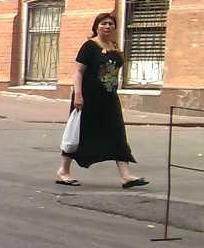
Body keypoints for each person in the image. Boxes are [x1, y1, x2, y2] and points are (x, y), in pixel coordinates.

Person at [57, 12, 147, 189]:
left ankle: (125, 176)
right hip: (88, 99)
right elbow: (78, 72)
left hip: (109, 99)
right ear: (96, 26)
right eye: (104, 23)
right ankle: (63, 171)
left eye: (111, 24)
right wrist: (78, 95)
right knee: (79, 134)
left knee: (117, 133)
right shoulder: (90, 46)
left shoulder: (114, 46)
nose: (107, 27)